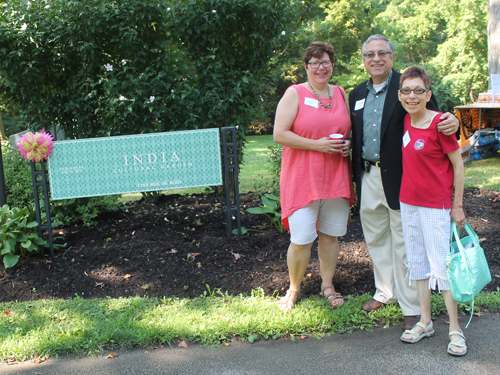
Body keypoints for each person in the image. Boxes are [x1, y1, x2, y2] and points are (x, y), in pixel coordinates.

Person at [348, 35, 460, 330]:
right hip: (368, 175)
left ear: (392, 57)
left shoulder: (407, 86)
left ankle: (411, 305)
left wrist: (454, 121)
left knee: (405, 241)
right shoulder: (356, 93)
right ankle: (385, 292)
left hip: (400, 177)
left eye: (382, 53)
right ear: (363, 60)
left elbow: (436, 116)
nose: (376, 59)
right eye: (369, 54)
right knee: (376, 238)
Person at [274, 41, 356, 311]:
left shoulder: (341, 93)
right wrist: (317, 145)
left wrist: (348, 144)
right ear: (306, 66)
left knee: (330, 236)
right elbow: (279, 134)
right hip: (302, 177)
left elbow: (349, 131)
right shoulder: (294, 93)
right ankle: (294, 289)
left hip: (335, 176)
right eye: (314, 62)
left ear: (332, 65)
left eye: (326, 62)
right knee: (301, 239)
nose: (321, 67)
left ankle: (327, 285)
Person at [397, 66, 466, 356]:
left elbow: (458, 164)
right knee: (418, 264)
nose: (412, 96)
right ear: (400, 95)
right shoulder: (406, 120)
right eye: (406, 91)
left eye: (418, 91)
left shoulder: (441, 124)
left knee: (443, 268)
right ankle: (425, 322)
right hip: (408, 203)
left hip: (435, 206)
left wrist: (457, 205)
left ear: (428, 94)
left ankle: (455, 329)